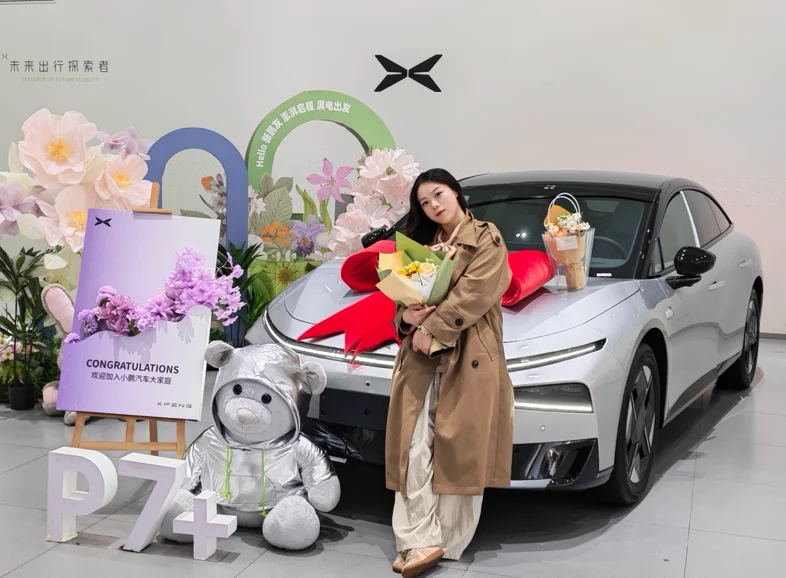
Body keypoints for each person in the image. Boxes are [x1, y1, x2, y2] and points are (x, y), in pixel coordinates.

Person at [386, 168, 514, 577]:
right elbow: (401, 302)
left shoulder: (487, 238)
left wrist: (430, 330)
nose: (433, 206)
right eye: (424, 202)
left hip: (469, 353)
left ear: (457, 193)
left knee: (458, 448)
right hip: (421, 361)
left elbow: (475, 294)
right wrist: (406, 318)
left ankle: (446, 541)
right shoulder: (420, 246)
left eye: (438, 195)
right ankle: (415, 538)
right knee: (413, 447)